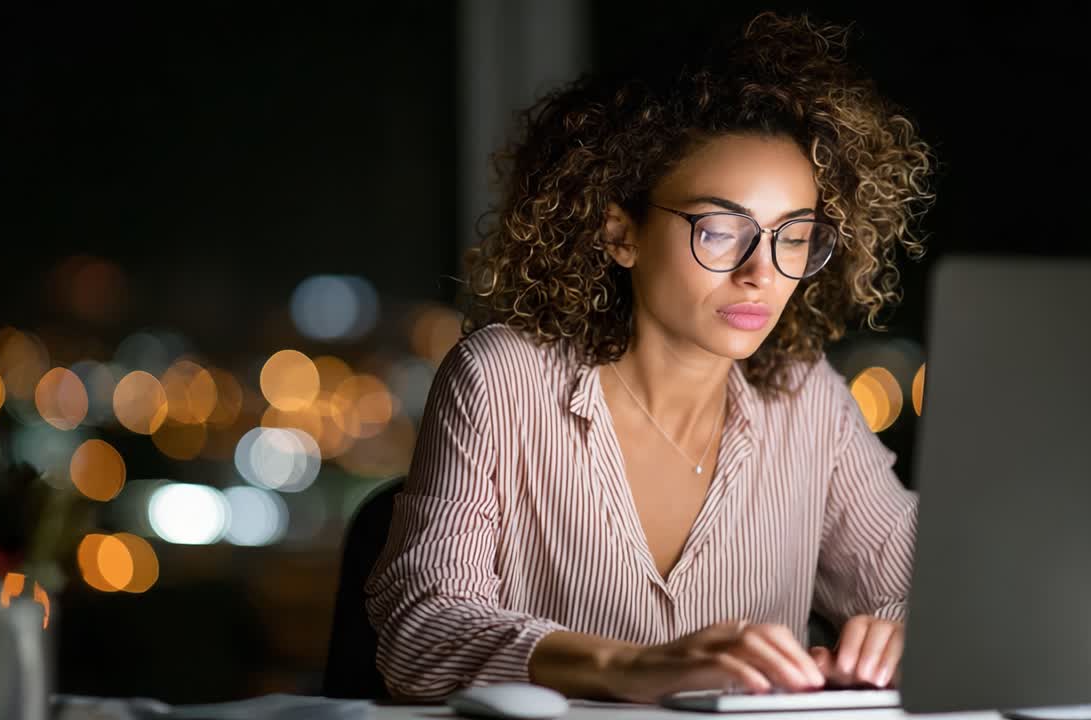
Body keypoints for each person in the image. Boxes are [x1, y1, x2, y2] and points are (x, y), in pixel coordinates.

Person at [365, 10, 936, 704]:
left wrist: (906, 630)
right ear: (620, 233)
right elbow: (418, 630)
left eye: (794, 236)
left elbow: (932, 591)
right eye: (722, 231)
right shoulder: (501, 377)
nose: (762, 272)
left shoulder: (805, 397)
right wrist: (629, 668)